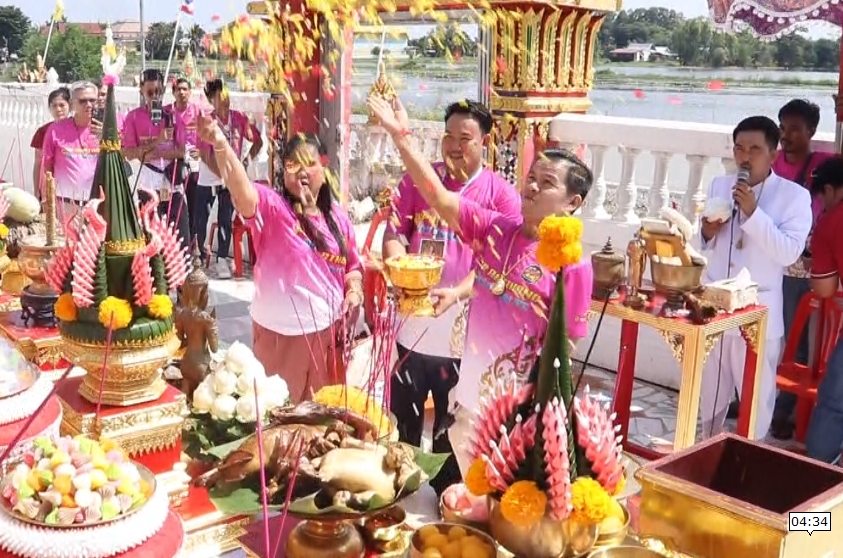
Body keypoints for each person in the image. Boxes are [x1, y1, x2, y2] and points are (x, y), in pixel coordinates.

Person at [368, 95, 593, 480]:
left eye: (547, 183)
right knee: (451, 497)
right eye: (531, 178)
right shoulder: (493, 229)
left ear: (572, 202)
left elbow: (563, 352)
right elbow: (436, 195)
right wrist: (400, 136)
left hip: (514, 419)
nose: (533, 187)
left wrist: (543, 421)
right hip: (465, 399)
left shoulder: (571, 265)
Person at [378, 99, 520, 494]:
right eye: (449, 137)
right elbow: (395, 232)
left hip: (462, 337)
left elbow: (501, 264)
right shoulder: (416, 182)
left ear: (485, 143)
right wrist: (396, 267)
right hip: (411, 329)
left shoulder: (501, 195)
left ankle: (447, 501)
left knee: (449, 431)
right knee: (402, 424)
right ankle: (398, 496)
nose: (455, 146)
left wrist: (458, 293)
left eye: (465, 138)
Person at [197, 113, 361, 401]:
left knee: (323, 418)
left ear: (324, 168)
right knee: (280, 419)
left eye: (309, 163)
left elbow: (353, 267)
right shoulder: (273, 207)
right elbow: (241, 191)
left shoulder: (337, 217)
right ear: (283, 172)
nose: (301, 172)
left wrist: (354, 290)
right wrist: (221, 143)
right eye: (292, 164)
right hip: (281, 337)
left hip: (328, 337)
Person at [698, 116, 811, 440]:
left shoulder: (793, 197)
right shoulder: (720, 185)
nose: (745, 156)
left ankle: (752, 452)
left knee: (755, 398)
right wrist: (706, 231)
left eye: (755, 149)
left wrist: (752, 213)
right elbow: (703, 242)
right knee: (710, 392)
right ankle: (707, 447)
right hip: (716, 307)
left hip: (758, 313)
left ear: (773, 154)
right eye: (739, 148)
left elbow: (789, 253)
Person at [770, 95, 843, 439]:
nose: (786, 135)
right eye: (782, 128)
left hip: (807, 265)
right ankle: (752, 395)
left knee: (798, 340)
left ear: (811, 132)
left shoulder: (820, 163)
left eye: (794, 129)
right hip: (774, 256)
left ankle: (784, 410)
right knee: (764, 333)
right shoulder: (773, 163)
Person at [803, 157, 843, 464]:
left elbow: (825, 289)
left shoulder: (832, 221)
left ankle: (814, 507)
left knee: (832, 411)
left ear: (829, 191)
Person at [193, 79, 263, 278]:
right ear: (210, 100)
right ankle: (198, 256)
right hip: (209, 179)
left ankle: (222, 259)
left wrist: (245, 162)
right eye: (219, 97)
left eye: (226, 96)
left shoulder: (239, 119)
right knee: (201, 220)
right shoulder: (207, 122)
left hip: (229, 180)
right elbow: (206, 156)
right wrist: (224, 174)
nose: (225, 101)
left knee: (225, 219)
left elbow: (258, 140)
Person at [123, 69, 191, 248]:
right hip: (147, 182)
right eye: (150, 92)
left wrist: (154, 153)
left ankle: (183, 270)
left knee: (178, 232)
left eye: (158, 92)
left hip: (171, 180)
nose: (154, 96)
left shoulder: (173, 117)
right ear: (142, 92)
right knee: (149, 232)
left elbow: (181, 151)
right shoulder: (133, 117)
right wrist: (158, 141)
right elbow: (129, 153)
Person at [40, 82, 102, 217]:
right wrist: (45, 197)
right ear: (72, 103)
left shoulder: (105, 130)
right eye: (83, 101)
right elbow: (47, 166)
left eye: (92, 100)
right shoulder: (56, 130)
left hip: (97, 205)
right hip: (66, 204)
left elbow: (120, 159)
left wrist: (106, 139)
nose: (89, 105)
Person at [165, 77, 202, 241]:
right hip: (171, 163)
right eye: (178, 89)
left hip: (193, 163)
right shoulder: (166, 112)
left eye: (185, 89)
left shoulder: (197, 111)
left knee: (193, 204)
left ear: (190, 92)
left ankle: (192, 242)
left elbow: (207, 135)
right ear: (173, 93)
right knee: (172, 204)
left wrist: (201, 151)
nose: (181, 92)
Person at [30, 87, 71, 199]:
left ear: (70, 105)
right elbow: (38, 163)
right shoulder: (43, 131)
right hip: (48, 185)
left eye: (62, 105)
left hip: (70, 187)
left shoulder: (76, 130)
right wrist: (36, 190)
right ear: (49, 108)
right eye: (54, 106)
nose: (58, 109)